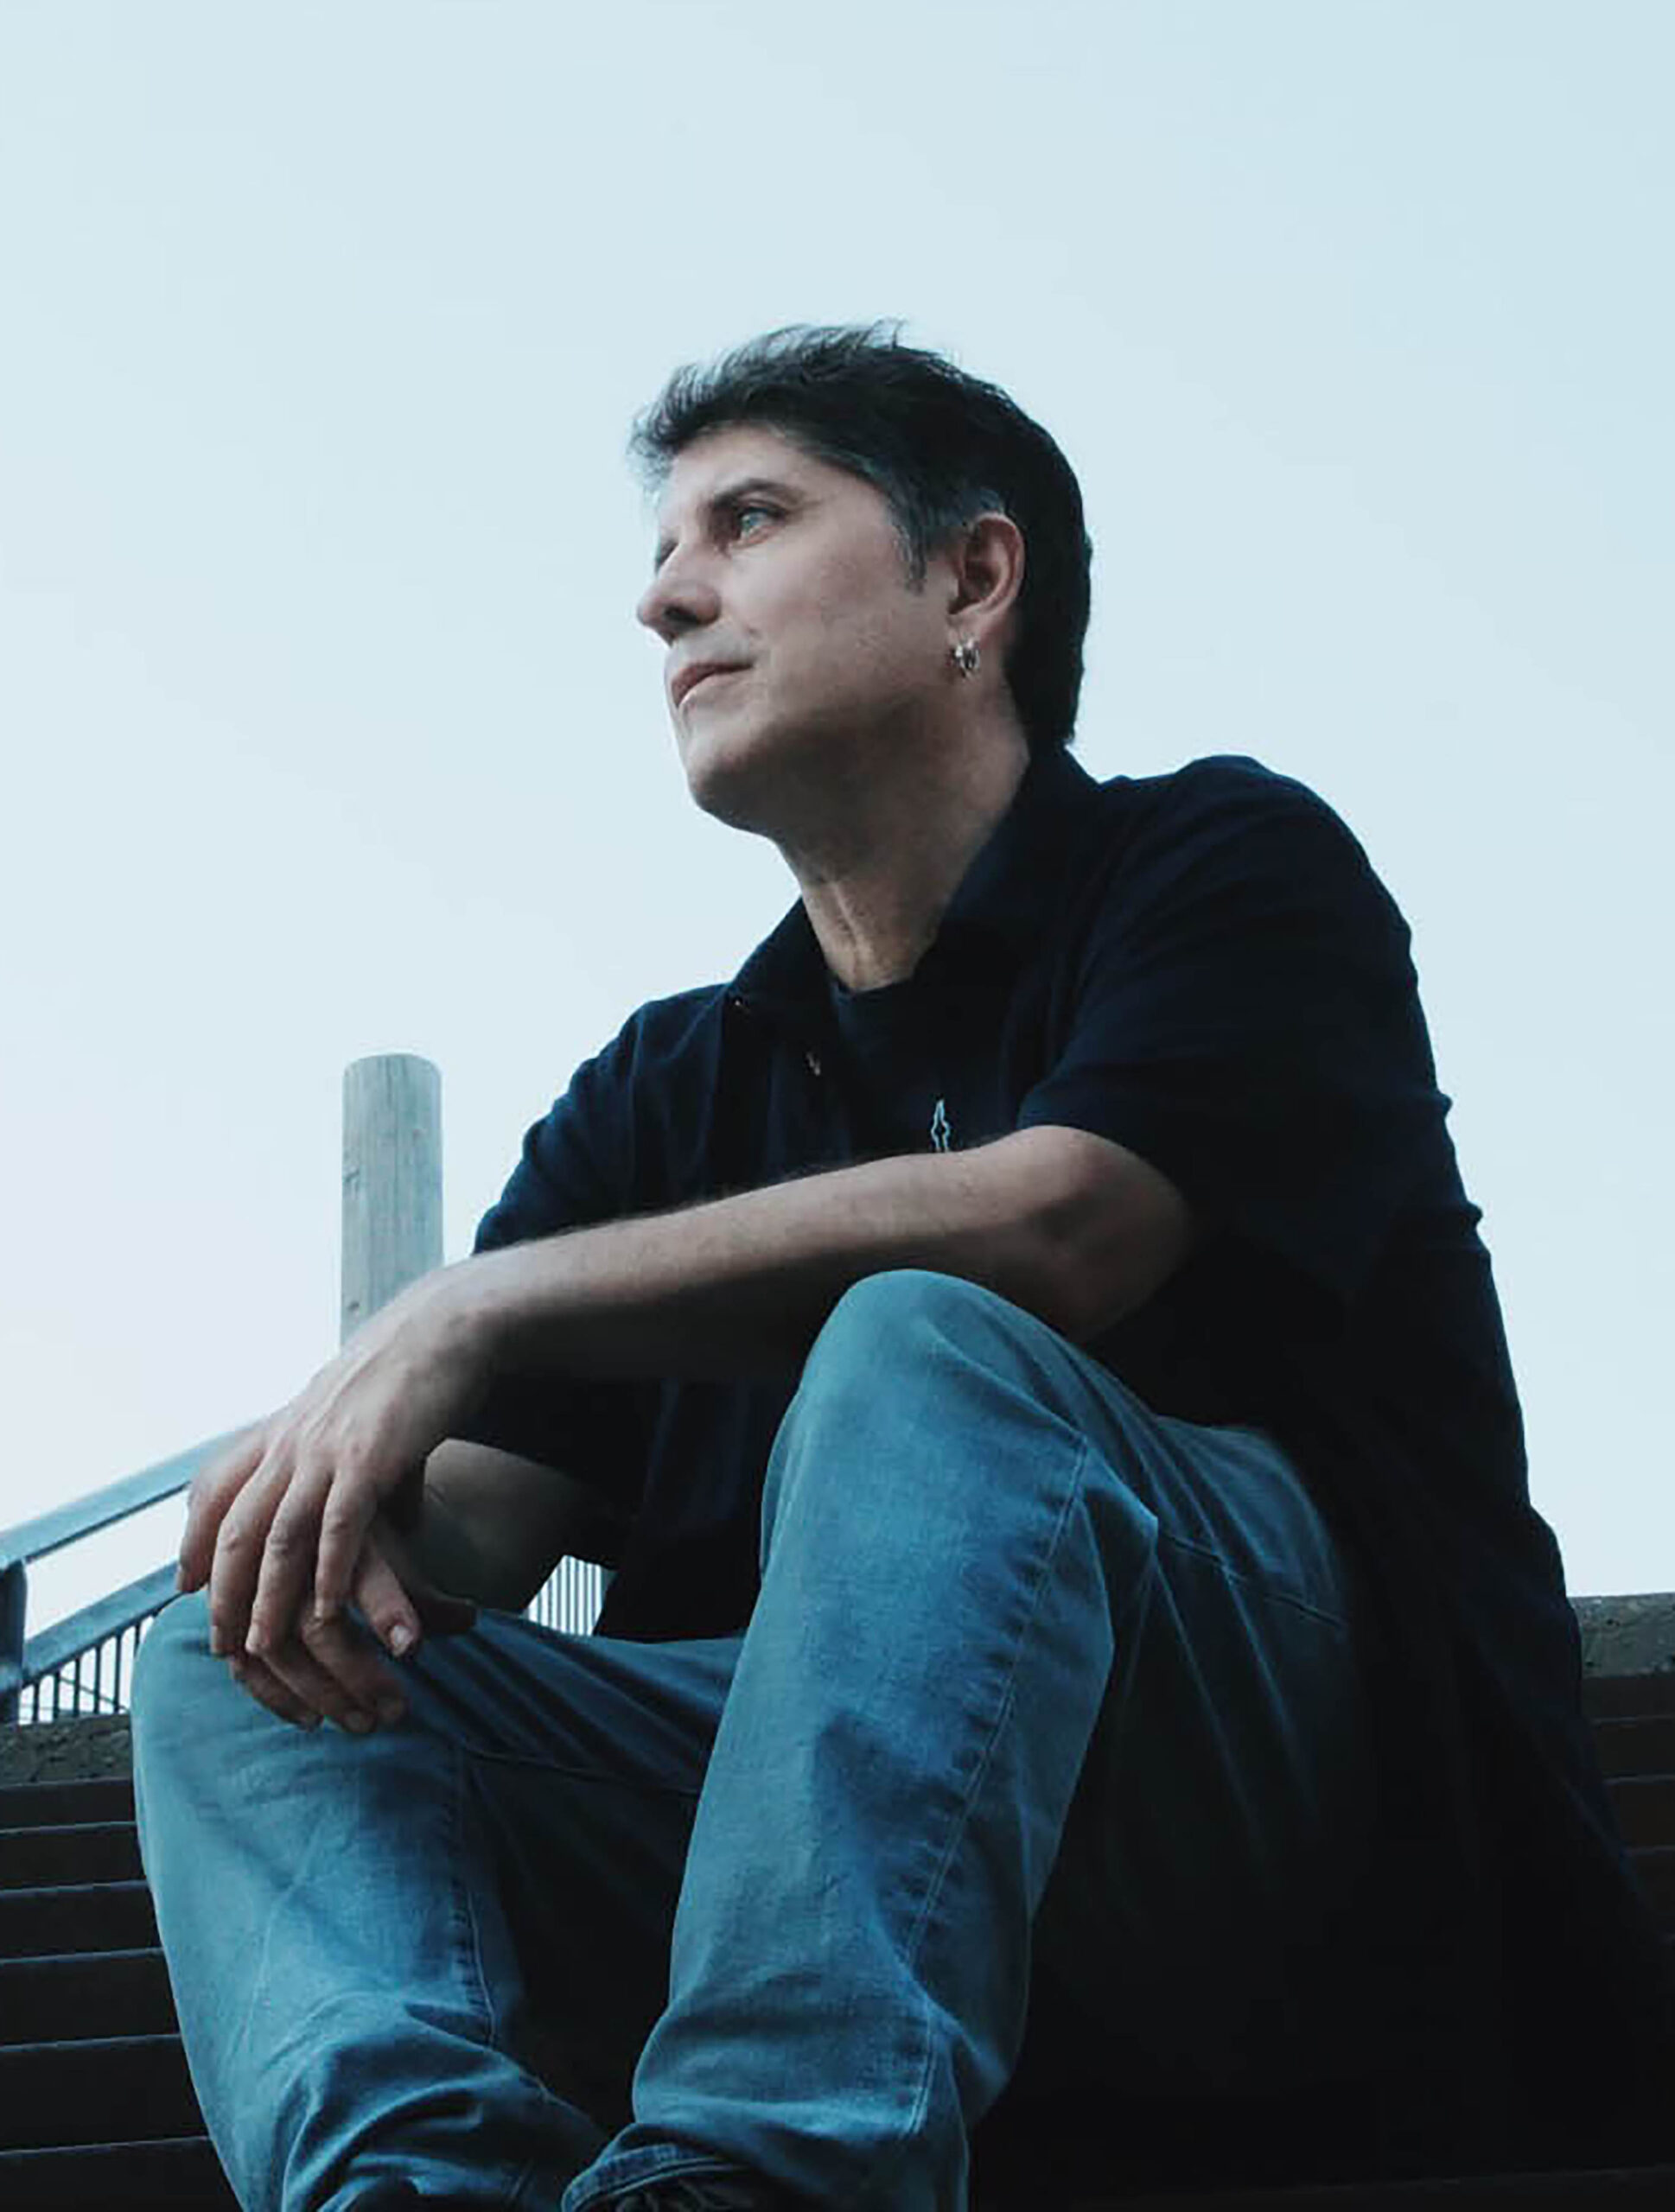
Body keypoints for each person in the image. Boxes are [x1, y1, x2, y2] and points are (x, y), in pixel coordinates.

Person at [131, 325, 1669, 2212]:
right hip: (816, 1848)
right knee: (234, 1654)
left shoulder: (1223, 870)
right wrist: (319, 1513)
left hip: (1278, 1826)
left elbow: (1064, 1223)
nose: (665, 591)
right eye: (666, 543)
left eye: (750, 518)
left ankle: (756, 2174)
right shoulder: (671, 1083)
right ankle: (420, 2186)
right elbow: (477, 1533)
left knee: (933, 1346)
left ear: (973, 578)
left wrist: (471, 1299)